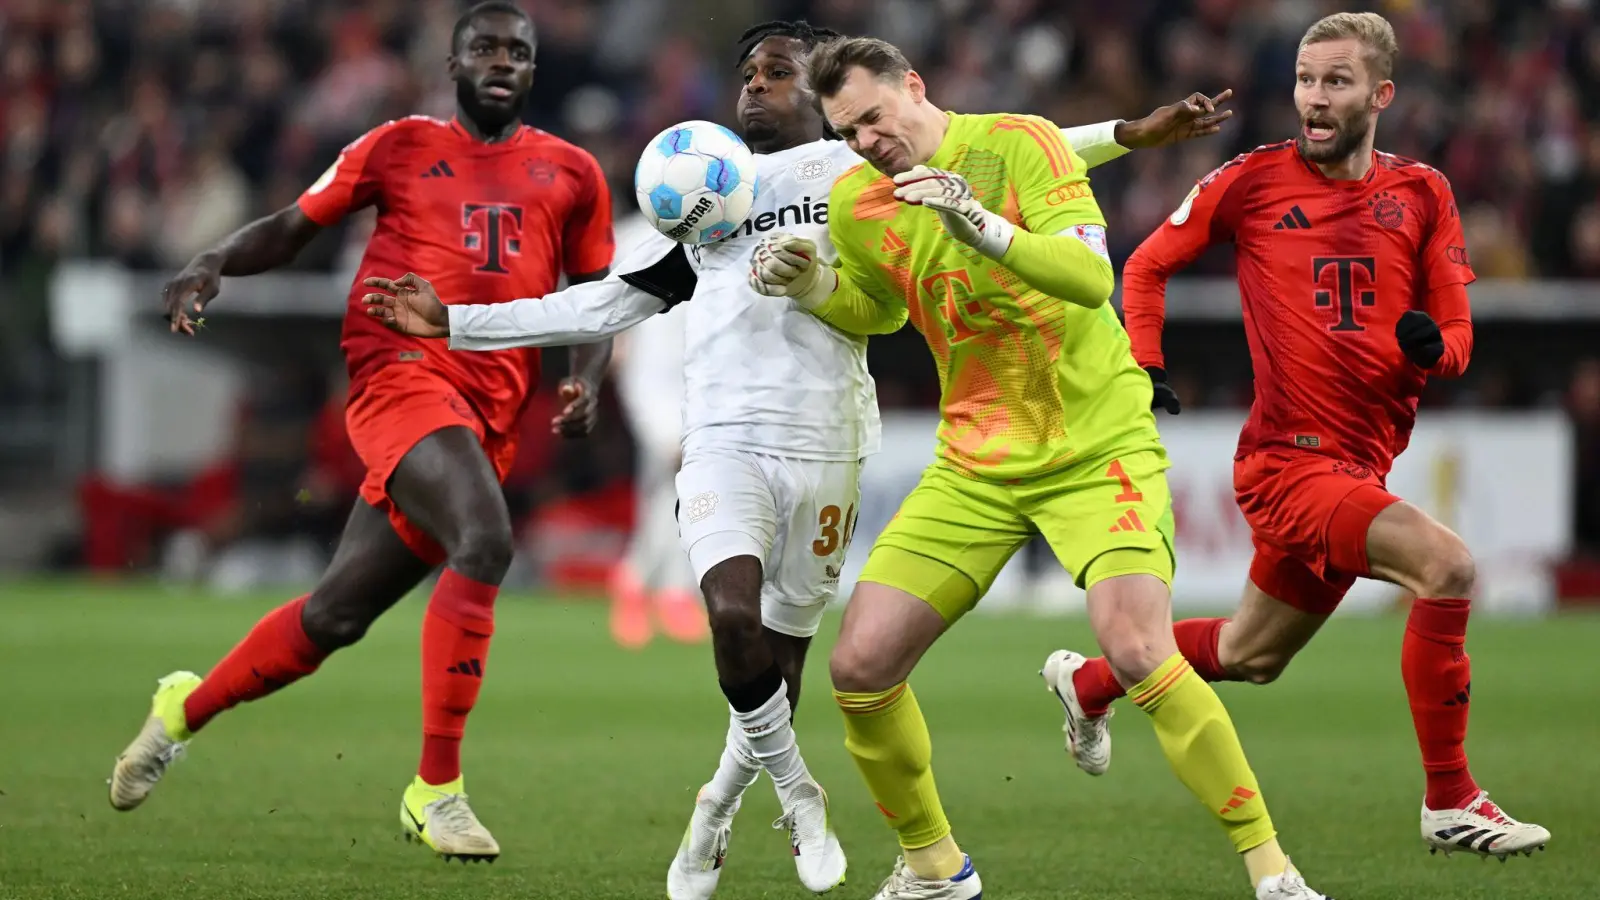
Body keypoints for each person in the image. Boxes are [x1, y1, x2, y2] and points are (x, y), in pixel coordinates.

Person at [363, 19, 1232, 899]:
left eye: (777, 73)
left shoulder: (862, 172)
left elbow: (1016, 143)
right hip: (723, 440)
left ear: (821, 101)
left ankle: (715, 806)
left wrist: (1132, 135)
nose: (753, 87)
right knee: (731, 620)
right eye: (746, 73)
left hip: (828, 443)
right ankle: (799, 797)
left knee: (778, 668)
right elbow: (607, 303)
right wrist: (459, 323)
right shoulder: (708, 193)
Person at [747, 34, 1329, 900]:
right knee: (859, 667)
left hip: (1095, 446)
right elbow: (877, 310)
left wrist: (972, 219)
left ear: (914, 87)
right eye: (847, 131)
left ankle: (1272, 870)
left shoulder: (1022, 144)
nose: (867, 141)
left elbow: (1091, 278)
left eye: (873, 117)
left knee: (1137, 648)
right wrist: (808, 286)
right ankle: (935, 867)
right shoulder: (854, 204)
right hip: (975, 463)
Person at [106, 2, 616, 863]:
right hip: (398, 379)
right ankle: (436, 791)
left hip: (490, 408)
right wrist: (213, 260)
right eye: (484, 49)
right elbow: (294, 227)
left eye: (518, 52)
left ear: (534, 71)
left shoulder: (572, 171)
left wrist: (587, 379)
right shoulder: (398, 144)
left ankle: (179, 711)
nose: (502, 61)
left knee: (334, 618)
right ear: (453, 66)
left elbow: (598, 295)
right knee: (485, 540)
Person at [1058, 11, 1551, 862]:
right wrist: (1143, 361)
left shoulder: (1425, 193)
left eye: (1336, 82)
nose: (1313, 100)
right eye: (1304, 80)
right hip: (1288, 463)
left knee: (1251, 655)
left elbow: (1459, 340)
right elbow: (1144, 265)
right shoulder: (1251, 180)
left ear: (1381, 95)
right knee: (1449, 568)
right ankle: (1450, 799)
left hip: (1360, 460)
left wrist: (1435, 348)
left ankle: (1087, 681)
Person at [607, 211, 706, 649]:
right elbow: (607, 303)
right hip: (649, 378)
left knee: (668, 485)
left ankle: (644, 583)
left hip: (699, 373)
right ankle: (663, 589)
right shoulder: (627, 236)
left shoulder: (713, 226)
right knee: (679, 467)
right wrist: (611, 350)